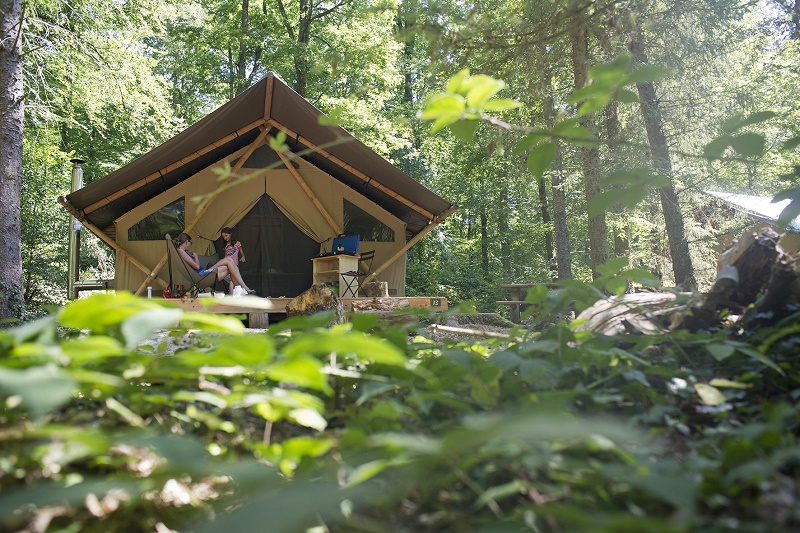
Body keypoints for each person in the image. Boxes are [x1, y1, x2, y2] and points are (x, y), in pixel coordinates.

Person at [173, 233, 255, 294]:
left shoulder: (181, 251)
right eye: (191, 243)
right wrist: (196, 257)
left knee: (229, 260)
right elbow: (197, 266)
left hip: (204, 274)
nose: (190, 245)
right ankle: (243, 288)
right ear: (187, 242)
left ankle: (241, 288)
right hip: (202, 276)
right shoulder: (181, 251)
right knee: (229, 263)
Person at [221, 226, 245, 294]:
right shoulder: (225, 244)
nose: (225, 238)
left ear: (230, 234)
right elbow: (226, 255)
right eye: (223, 237)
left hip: (234, 265)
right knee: (232, 281)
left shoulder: (237, 243)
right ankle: (233, 295)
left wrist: (243, 257)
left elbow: (242, 252)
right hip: (227, 265)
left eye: (226, 235)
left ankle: (232, 295)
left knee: (233, 281)